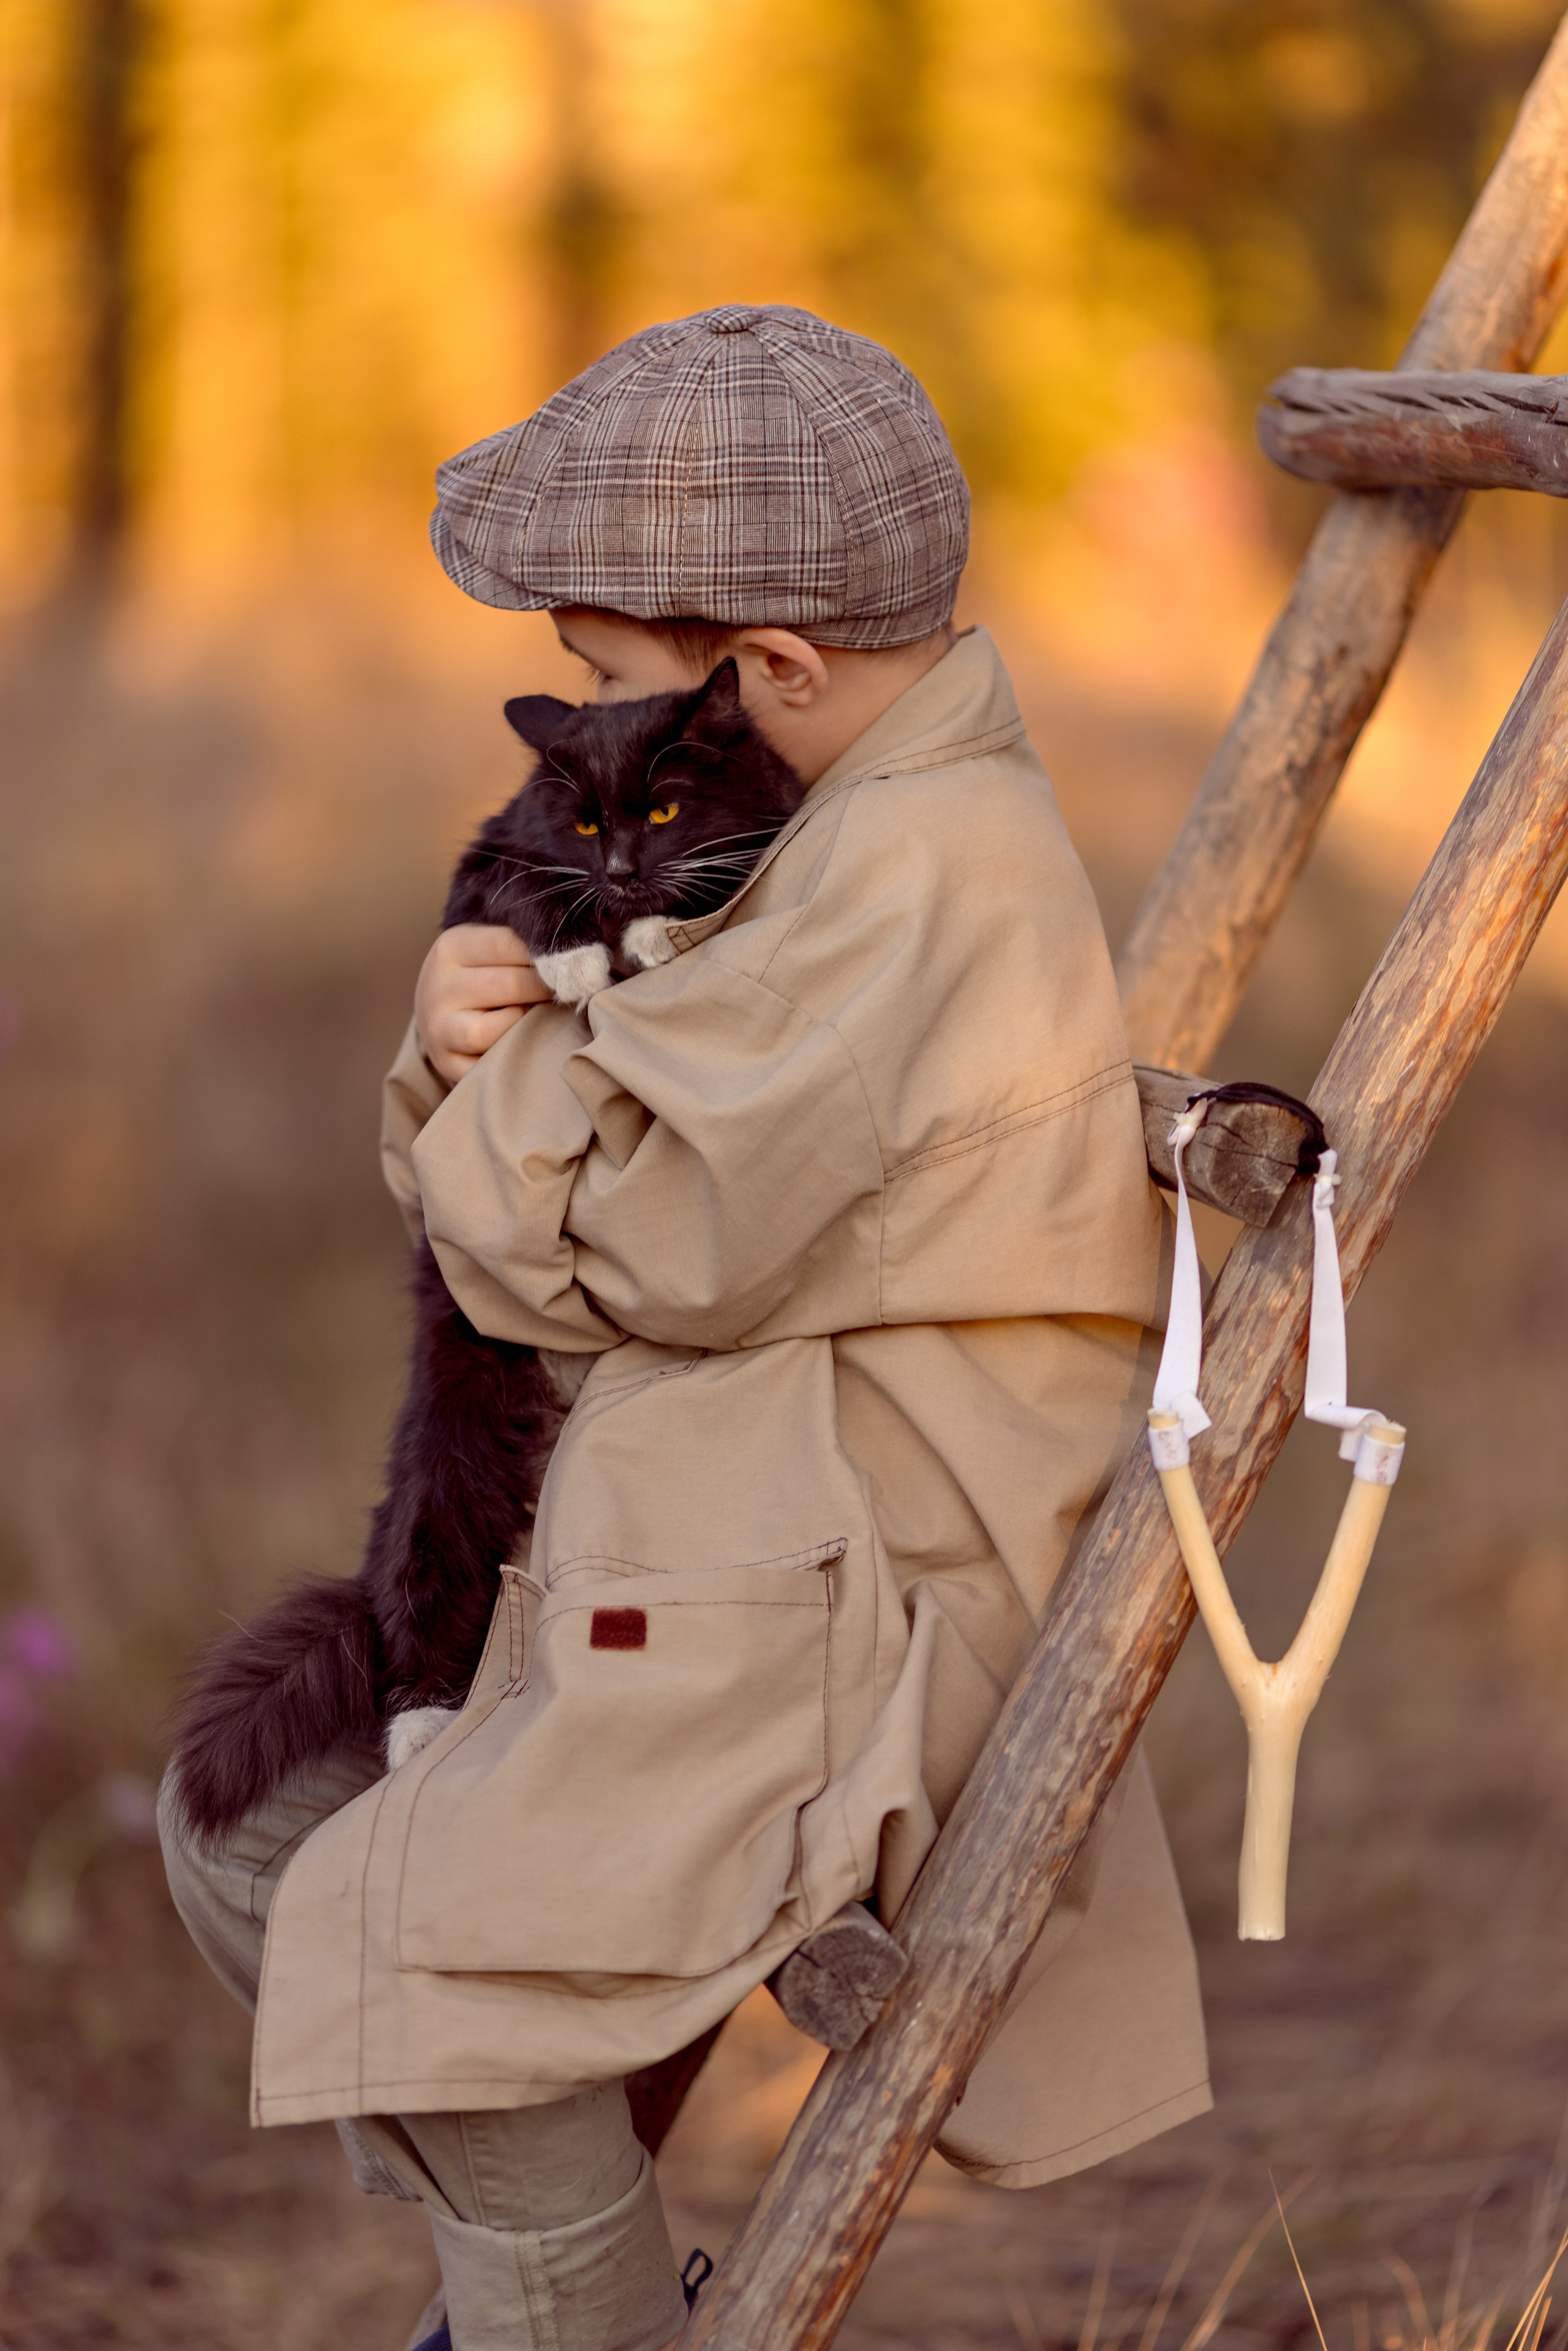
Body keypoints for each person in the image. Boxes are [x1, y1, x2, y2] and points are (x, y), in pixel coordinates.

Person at [159, 303, 1210, 2351]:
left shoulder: (916, 867)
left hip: (849, 1614)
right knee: (257, 1840)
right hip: (740, 1543)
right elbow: (580, 1188)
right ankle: (555, 2283)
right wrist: (483, 1067)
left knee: (421, 1952)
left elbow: (633, 1248)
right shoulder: (845, 824)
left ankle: (565, 2318)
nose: (580, 724)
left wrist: (472, 1071)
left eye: (604, 678)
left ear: (778, 675)